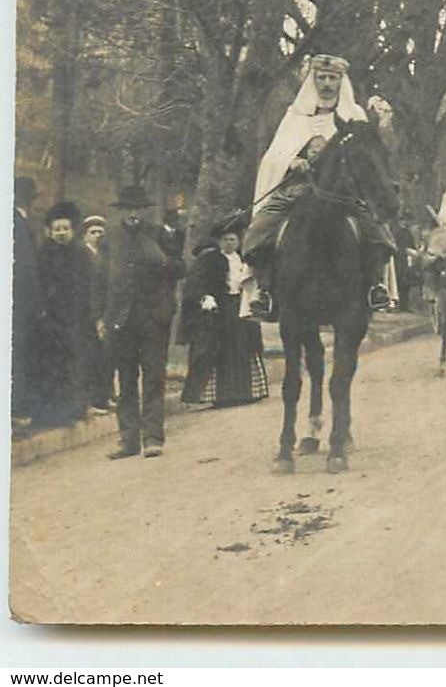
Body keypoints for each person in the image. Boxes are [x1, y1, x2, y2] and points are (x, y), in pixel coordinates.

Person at [242, 55, 393, 317]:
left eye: (332, 78)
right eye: (321, 77)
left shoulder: (354, 115)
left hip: (342, 192)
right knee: (258, 229)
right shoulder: (295, 116)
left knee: (378, 233)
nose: (326, 83)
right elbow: (274, 155)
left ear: (340, 81)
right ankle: (264, 289)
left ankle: (376, 285)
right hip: (298, 188)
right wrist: (292, 161)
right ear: (312, 80)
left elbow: (369, 156)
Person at [98, 185, 180, 459]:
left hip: (153, 318)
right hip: (120, 319)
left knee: (154, 378)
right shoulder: (109, 239)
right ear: (121, 211)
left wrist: (163, 260)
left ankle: (153, 438)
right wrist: (100, 315)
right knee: (127, 379)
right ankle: (128, 439)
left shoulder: (160, 234)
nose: (133, 214)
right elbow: (99, 281)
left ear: (145, 211)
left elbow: (181, 268)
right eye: (128, 209)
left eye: (138, 209)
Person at [181, 212, 268, 409]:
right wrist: (206, 297)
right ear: (219, 242)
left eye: (232, 239)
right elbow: (199, 282)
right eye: (225, 240)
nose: (229, 243)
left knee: (243, 348)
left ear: (238, 241)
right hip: (222, 309)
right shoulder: (212, 259)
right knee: (222, 350)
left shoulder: (244, 259)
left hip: (241, 305)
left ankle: (245, 392)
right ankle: (223, 395)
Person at [32, 201, 96, 428]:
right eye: (57, 229)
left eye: (65, 229)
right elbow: (38, 285)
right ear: (50, 230)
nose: (60, 233)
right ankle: (49, 414)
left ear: (73, 230)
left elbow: (89, 286)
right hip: (50, 319)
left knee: (75, 364)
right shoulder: (43, 254)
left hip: (77, 318)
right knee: (51, 365)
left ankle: (73, 411)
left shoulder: (81, 255)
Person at [11, 177, 42, 428]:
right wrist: (35, 304)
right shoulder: (17, 223)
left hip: (18, 302)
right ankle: (17, 409)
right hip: (21, 304)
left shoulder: (19, 222)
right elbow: (26, 268)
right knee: (19, 354)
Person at [80, 214, 112, 412]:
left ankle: (104, 396)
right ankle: (90, 399)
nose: (97, 235)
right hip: (87, 313)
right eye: (93, 232)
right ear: (85, 236)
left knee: (106, 356)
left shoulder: (107, 256)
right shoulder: (82, 256)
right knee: (90, 356)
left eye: (101, 232)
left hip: (106, 311)